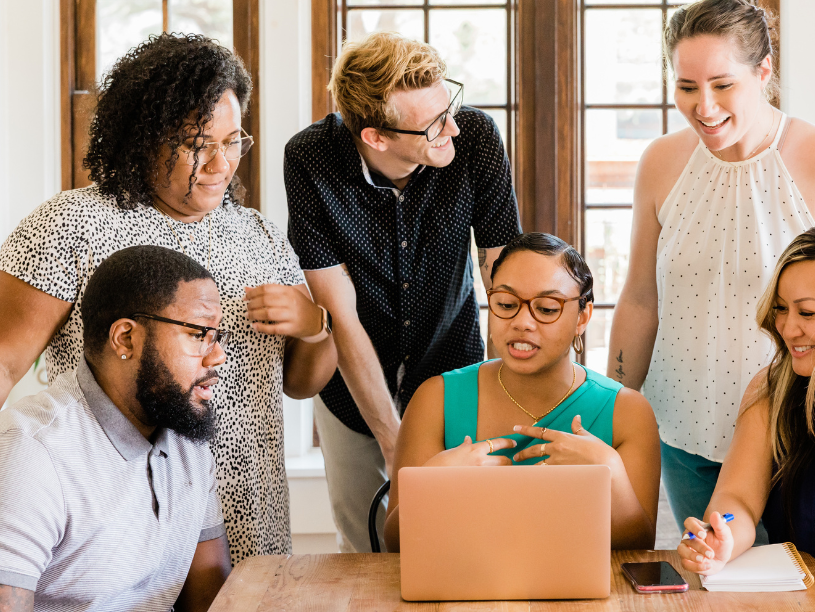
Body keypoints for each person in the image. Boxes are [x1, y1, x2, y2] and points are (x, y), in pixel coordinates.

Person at [0, 34, 337, 563]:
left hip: (249, 503)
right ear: (144, 137)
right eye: (197, 144)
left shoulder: (260, 236)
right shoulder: (70, 225)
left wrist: (316, 327)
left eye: (232, 142)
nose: (220, 165)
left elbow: (300, 383)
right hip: (119, 506)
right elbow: (4, 359)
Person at [607, 0, 815, 539]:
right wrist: (611, 410)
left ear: (763, 71)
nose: (703, 107)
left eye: (722, 84)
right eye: (686, 87)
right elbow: (641, 297)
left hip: (798, 434)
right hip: (684, 434)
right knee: (718, 582)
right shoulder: (661, 163)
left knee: (803, 586)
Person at [284, 32, 521, 552]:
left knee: (459, 541)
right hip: (350, 385)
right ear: (376, 137)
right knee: (366, 545)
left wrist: (515, 403)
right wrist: (394, 443)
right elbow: (338, 312)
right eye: (433, 123)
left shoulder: (475, 137)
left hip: (451, 366)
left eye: (449, 107)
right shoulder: (310, 159)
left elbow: (505, 283)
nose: (451, 128)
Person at [383, 233, 660, 553]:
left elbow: (639, 549)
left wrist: (609, 473)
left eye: (545, 308)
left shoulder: (628, 412)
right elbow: (394, 544)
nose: (522, 322)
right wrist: (433, 487)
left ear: (582, 317)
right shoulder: (435, 399)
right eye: (506, 304)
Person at [679, 220, 815, 612]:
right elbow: (739, 501)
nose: (787, 327)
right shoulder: (772, 391)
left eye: (808, 312)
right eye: (781, 309)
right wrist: (723, 535)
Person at [0, 245, 232, 612]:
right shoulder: (33, 452)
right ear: (126, 338)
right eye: (197, 333)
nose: (216, 355)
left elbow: (211, 600)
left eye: (216, 336)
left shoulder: (188, 443)